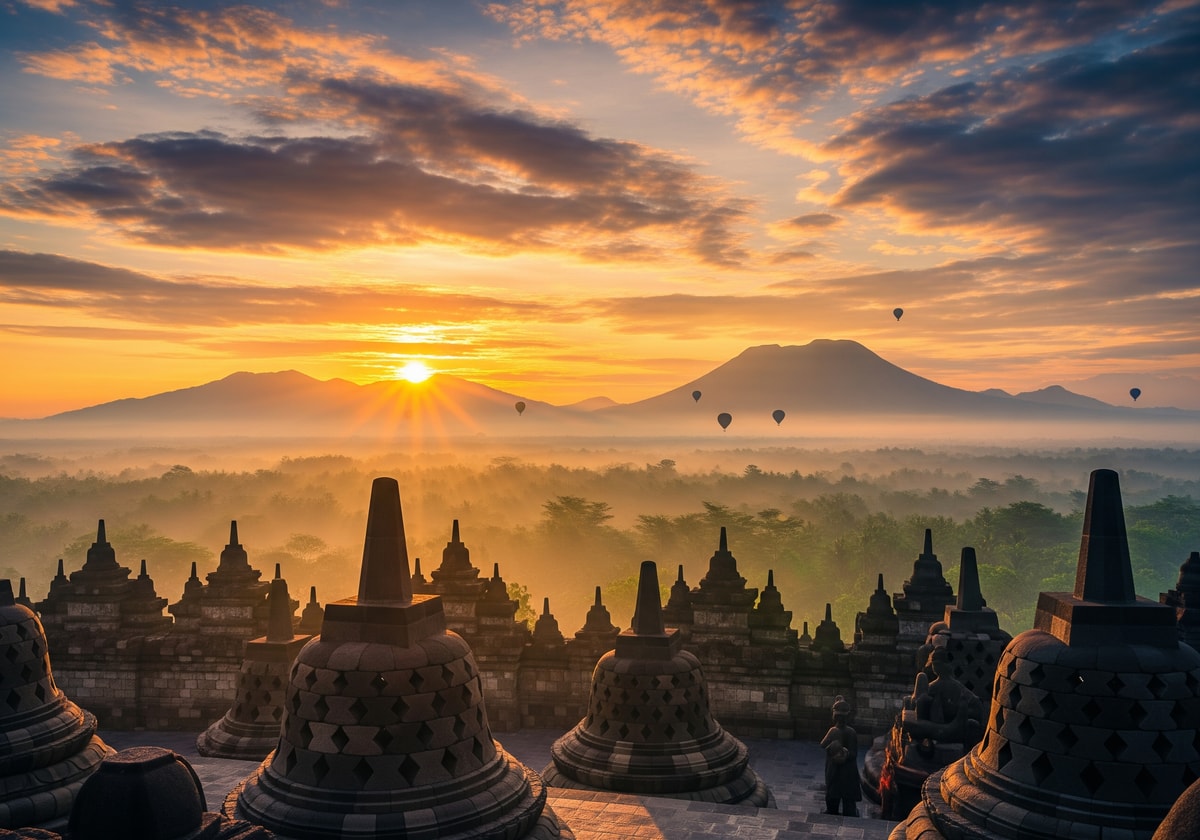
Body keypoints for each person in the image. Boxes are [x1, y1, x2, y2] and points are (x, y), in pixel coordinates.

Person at [820, 695, 863, 817]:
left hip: (834, 769)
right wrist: (846, 752)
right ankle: (849, 813)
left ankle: (832, 810)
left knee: (833, 796)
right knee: (848, 801)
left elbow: (822, 744)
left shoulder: (832, 731)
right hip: (848, 771)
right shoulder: (851, 732)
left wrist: (834, 747)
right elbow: (854, 754)